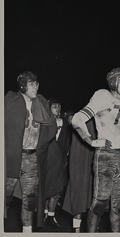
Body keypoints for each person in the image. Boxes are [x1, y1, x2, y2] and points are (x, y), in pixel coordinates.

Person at [71, 67, 120, 232]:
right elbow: (77, 119)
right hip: (107, 155)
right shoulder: (102, 96)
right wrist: (92, 141)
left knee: (119, 205)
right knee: (100, 203)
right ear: (112, 82)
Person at [4, 71, 57, 232]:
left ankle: (27, 233)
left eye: (37, 83)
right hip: (11, 158)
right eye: (31, 83)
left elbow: (50, 126)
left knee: (30, 201)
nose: (36, 86)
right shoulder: (10, 101)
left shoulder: (41, 103)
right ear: (22, 85)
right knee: (5, 196)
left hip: (31, 158)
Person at [62, 118, 97, 233]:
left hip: (94, 165)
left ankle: (93, 229)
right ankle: (77, 230)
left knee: (95, 199)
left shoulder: (102, 121)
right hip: (81, 166)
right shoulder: (81, 120)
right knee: (79, 197)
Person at [44, 98, 71, 228]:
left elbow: (67, 142)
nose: (57, 108)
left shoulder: (65, 123)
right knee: (45, 186)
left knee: (57, 188)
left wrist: (65, 158)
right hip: (47, 159)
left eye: (59, 106)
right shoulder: (45, 122)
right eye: (54, 106)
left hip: (60, 160)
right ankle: (43, 213)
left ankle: (51, 215)